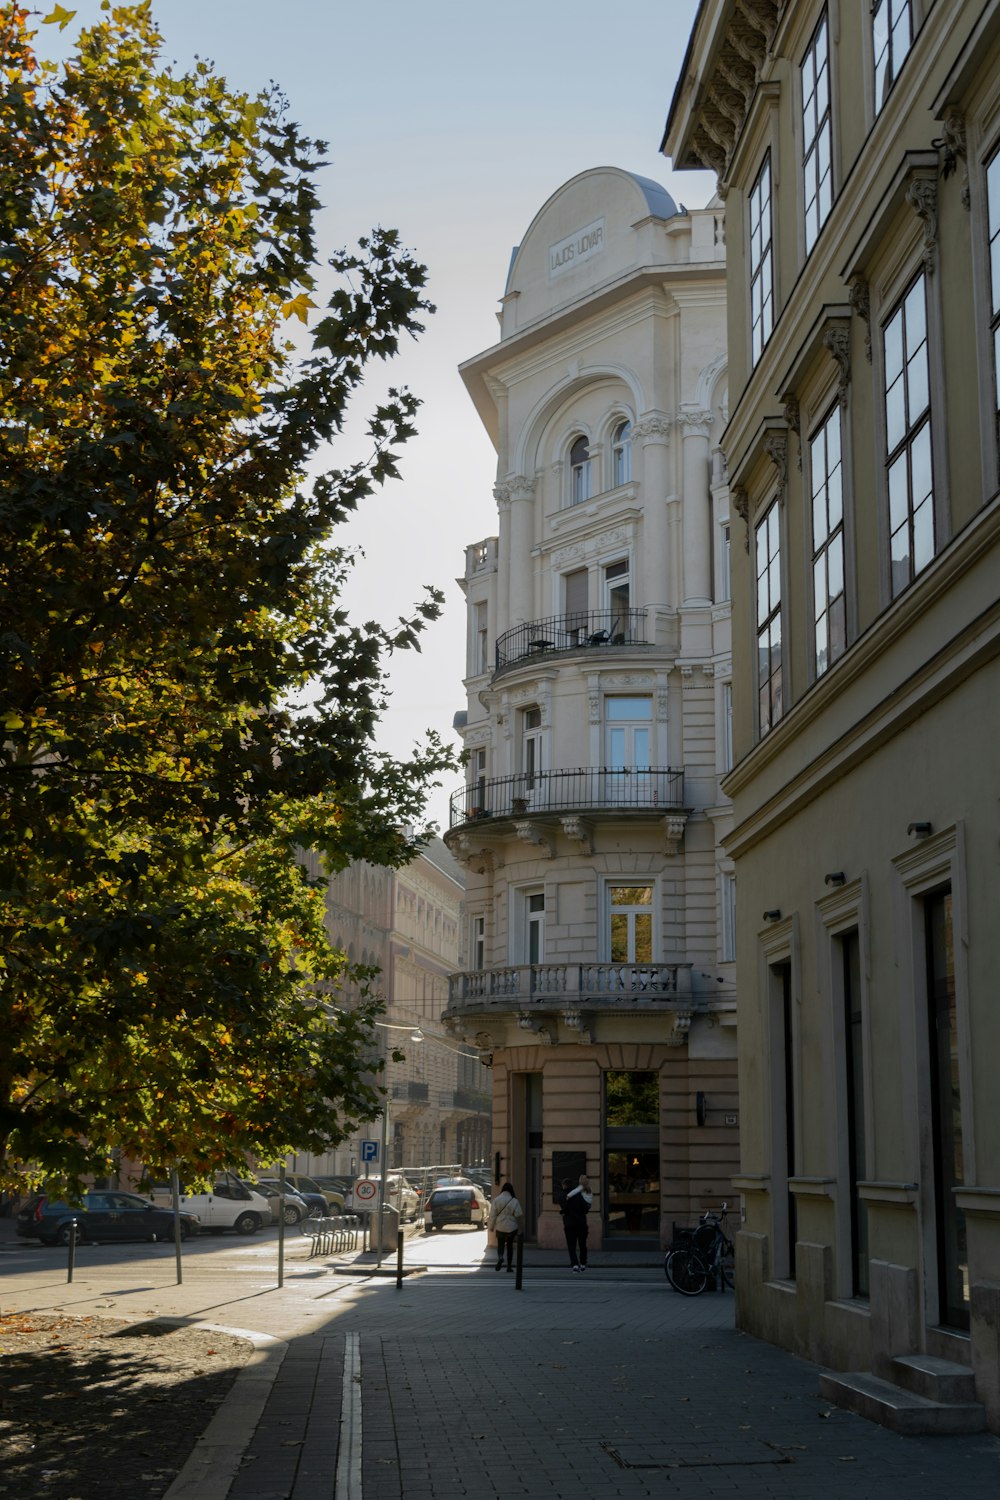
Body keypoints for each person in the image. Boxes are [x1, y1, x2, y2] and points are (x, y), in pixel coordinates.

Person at [559, 1174, 593, 1272]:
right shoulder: (579, 1195)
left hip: (569, 1223)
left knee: (571, 1245)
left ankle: (574, 1264)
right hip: (581, 1223)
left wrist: (564, 1212)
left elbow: (564, 1208)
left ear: (564, 1185)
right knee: (582, 1244)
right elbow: (586, 1209)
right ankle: (583, 1263)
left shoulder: (562, 1195)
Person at [487, 1181, 522, 1272]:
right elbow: (519, 1215)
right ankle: (509, 1266)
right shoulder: (514, 1201)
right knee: (510, 1246)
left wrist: (491, 1226)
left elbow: (493, 1215)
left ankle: (500, 1257)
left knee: (500, 1245)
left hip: (500, 1227)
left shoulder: (496, 1200)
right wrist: (520, 1228)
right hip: (512, 1227)